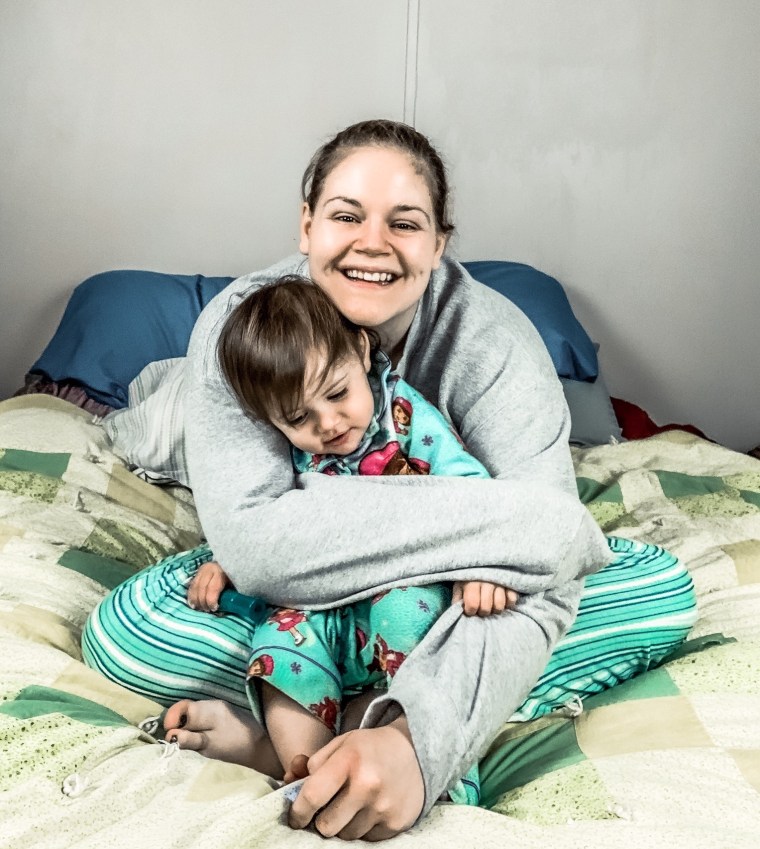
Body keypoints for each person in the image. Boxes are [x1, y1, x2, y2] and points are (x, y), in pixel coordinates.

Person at [84, 119, 697, 841]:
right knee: (129, 627)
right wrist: (503, 536)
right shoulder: (242, 333)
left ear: (439, 242)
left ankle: (325, 734)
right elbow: (258, 548)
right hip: (305, 599)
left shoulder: (495, 341)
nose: (372, 242)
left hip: (452, 604)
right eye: (346, 215)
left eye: (404, 223)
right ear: (307, 225)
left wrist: (416, 739)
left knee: (659, 587)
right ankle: (404, 716)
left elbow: (557, 553)